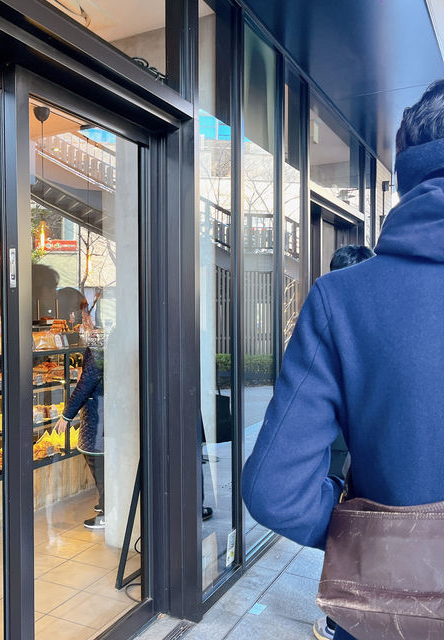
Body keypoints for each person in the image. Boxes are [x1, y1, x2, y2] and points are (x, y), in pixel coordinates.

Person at [242, 78, 444, 640]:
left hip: (390, 616)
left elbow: (273, 490)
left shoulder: (343, 299)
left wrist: (359, 524)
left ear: (406, 174)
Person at [312, 245, 374, 640]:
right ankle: (340, 617)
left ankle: (339, 618)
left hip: (338, 447)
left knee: (344, 528)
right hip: (354, 450)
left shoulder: (329, 317)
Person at [55, 343, 105, 529]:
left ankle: (109, 511)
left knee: (98, 459)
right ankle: (106, 504)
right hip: (105, 408)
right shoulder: (110, 341)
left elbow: (87, 382)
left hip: (98, 411)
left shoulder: (98, 346)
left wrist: (67, 415)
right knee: (101, 458)